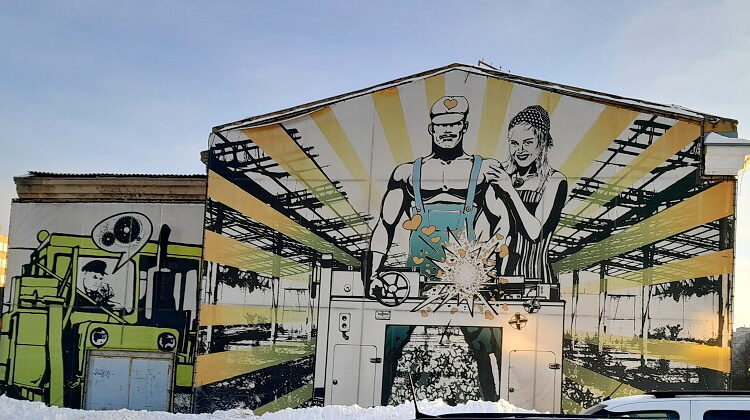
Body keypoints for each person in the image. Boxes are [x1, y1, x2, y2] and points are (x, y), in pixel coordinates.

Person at [369, 95, 507, 403]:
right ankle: (376, 410)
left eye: (454, 124)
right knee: (389, 340)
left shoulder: (484, 170)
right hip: (417, 274)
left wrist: (495, 265)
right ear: (431, 128)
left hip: (466, 275)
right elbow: (385, 224)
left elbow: (503, 222)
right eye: (441, 125)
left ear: (464, 126)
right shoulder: (406, 173)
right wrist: (373, 273)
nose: (447, 130)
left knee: (488, 344)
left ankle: (497, 408)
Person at [492, 105, 568, 285]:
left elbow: (535, 233)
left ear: (542, 142)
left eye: (527, 142)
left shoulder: (554, 180)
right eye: (514, 143)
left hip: (533, 276)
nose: (520, 150)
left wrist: (510, 190)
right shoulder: (501, 176)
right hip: (496, 276)